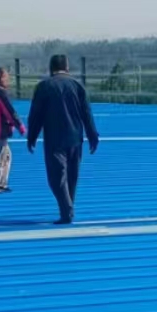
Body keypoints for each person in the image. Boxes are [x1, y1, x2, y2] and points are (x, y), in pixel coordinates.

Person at [26, 54, 100, 224]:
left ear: (50, 68)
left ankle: (66, 210)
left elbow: (36, 115)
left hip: (54, 137)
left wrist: (32, 136)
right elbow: (87, 113)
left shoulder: (44, 86)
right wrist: (92, 135)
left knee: (57, 176)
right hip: (75, 137)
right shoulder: (77, 86)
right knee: (72, 175)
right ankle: (68, 206)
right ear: (67, 67)